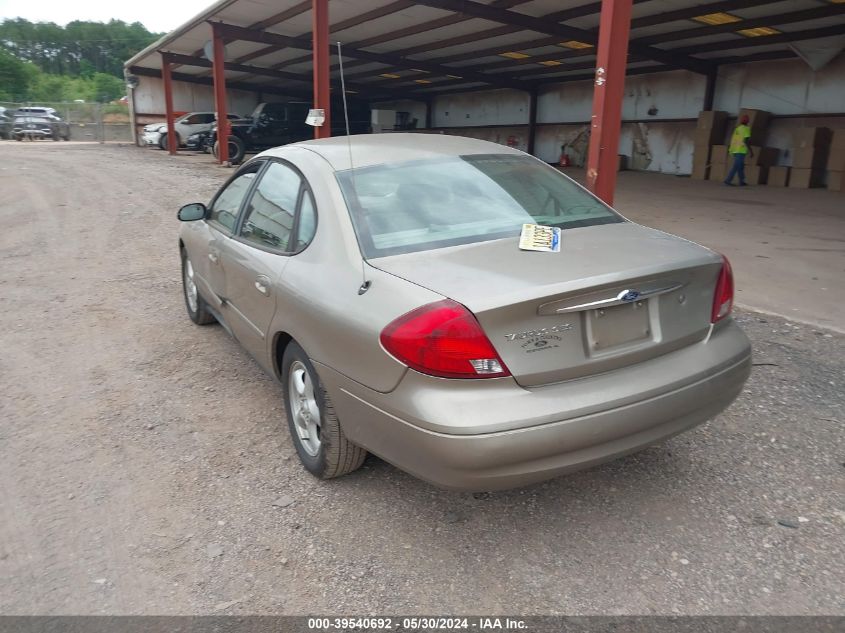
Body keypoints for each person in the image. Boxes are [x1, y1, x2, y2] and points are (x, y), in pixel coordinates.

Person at [724, 114, 754, 186]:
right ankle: (728, 180)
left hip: (735, 150)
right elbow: (746, 141)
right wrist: (751, 151)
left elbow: (733, 139)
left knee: (740, 166)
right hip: (741, 150)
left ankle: (741, 181)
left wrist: (731, 149)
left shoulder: (737, 129)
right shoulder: (746, 129)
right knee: (736, 166)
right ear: (748, 122)